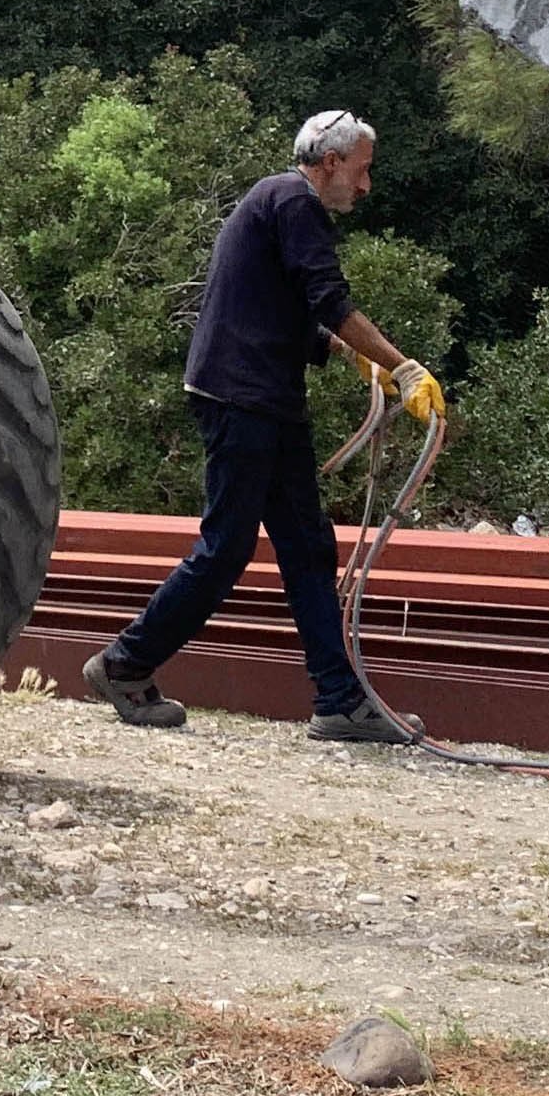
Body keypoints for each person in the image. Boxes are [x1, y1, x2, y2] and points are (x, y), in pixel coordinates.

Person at [82, 109, 442, 744]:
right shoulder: (291, 199)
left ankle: (339, 700)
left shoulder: (275, 203)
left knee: (308, 547)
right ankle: (123, 663)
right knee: (227, 547)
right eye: (361, 172)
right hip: (241, 396)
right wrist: (402, 366)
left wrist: (354, 355)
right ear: (329, 163)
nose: (364, 187)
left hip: (262, 398)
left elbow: (297, 308)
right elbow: (328, 298)